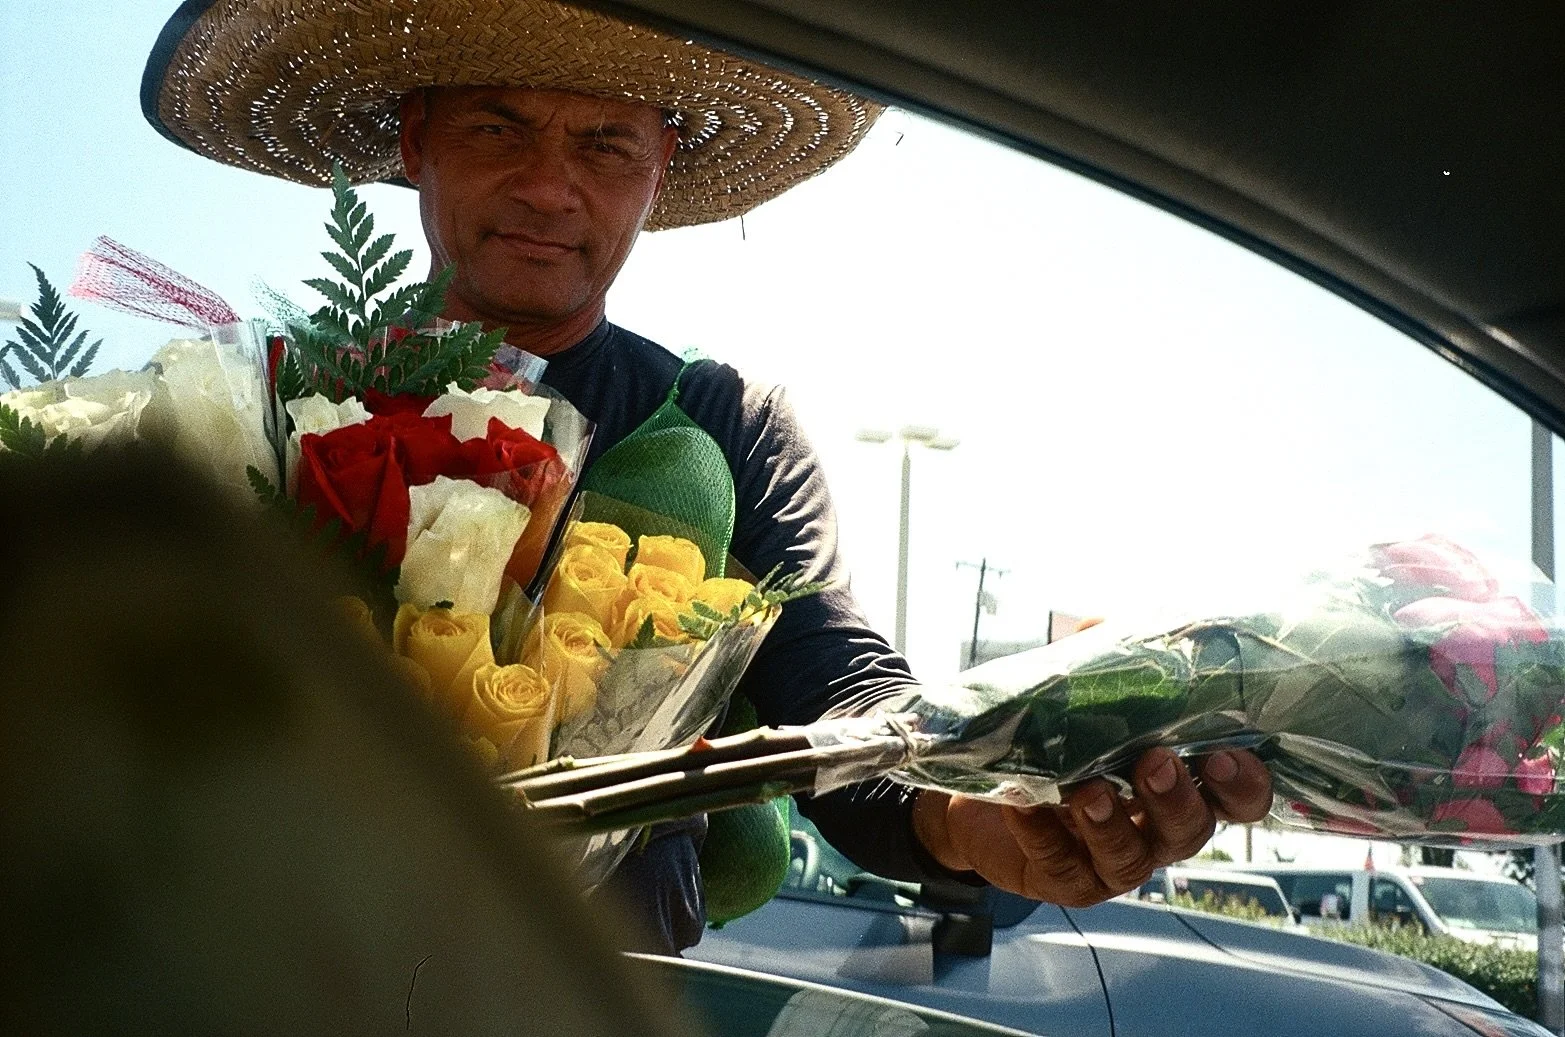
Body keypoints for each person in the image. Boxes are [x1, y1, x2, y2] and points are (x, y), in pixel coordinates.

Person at [142, 0, 1272, 954]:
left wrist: (982, 819)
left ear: (658, 170)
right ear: (415, 137)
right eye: (499, 124)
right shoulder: (260, 401)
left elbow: (836, 696)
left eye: (605, 144)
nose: (548, 186)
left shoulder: (724, 425)